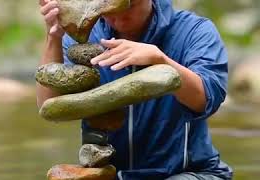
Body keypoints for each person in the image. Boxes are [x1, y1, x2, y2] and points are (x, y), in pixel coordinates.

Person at [37, 0, 233, 179]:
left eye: (129, 6)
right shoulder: (86, 41)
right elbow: (49, 107)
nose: (119, 18)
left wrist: (161, 60)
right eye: (109, 8)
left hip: (190, 173)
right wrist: (54, 36)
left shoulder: (194, 31)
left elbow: (207, 98)